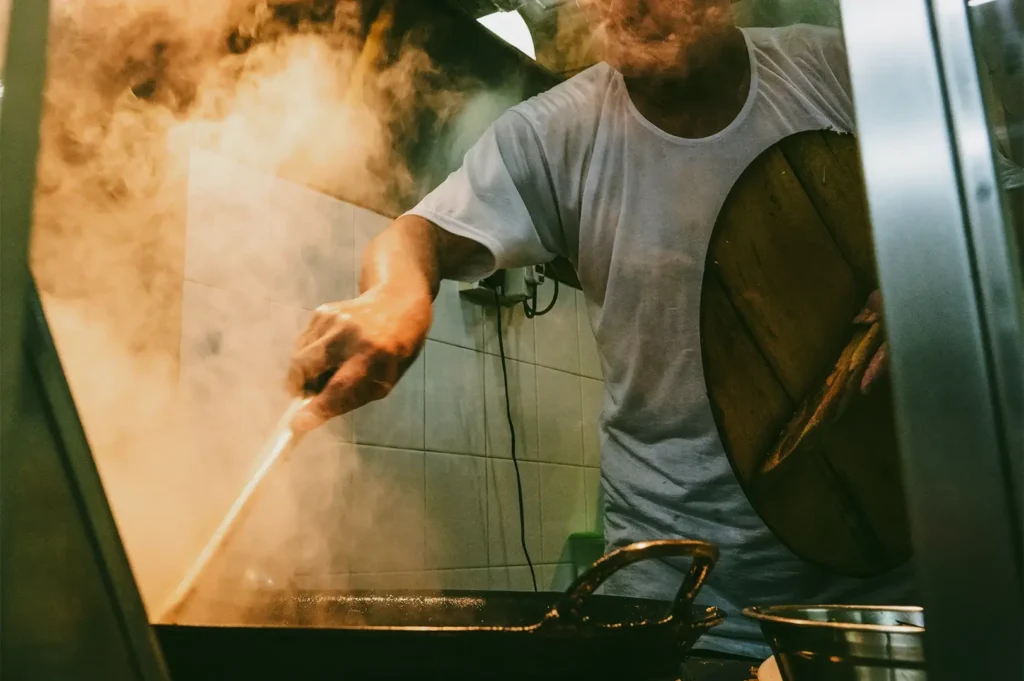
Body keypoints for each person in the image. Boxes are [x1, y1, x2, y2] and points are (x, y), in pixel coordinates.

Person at [286, 0, 913, 657]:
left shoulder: (834, 71)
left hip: (885, 590)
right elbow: (418, 234)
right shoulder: (556, 133)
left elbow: (993, 200)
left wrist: (926, 291)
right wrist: (395, 294)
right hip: (683, 598)